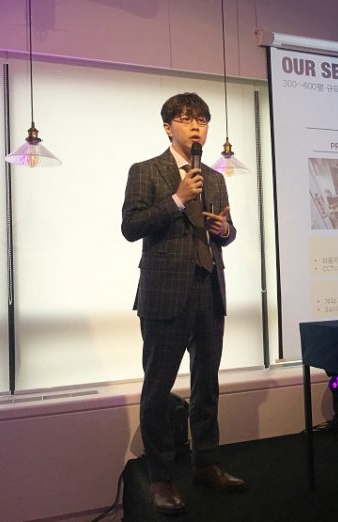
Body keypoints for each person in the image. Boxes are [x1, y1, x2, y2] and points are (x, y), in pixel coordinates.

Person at [121, 92, 243, 516]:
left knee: (207, 384)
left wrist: (224, 230)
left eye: (202, 120)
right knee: (158, 388)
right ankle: (161, 478)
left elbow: (226, 231)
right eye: (187, 119)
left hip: (209, 289)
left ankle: (206, 463)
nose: (196, 126)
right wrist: (176, 199)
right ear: (167, 127)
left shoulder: (215, 177)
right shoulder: (146, 171)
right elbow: (131, 226)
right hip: (165, 294)